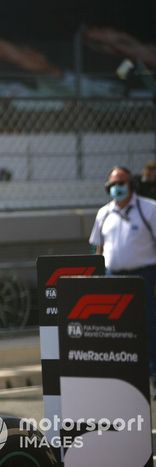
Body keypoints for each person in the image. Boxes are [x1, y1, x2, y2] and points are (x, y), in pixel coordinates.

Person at [89, 166, 156, 389]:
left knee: (148, 326)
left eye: (122, 183)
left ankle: (154, 377)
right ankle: (122, 381)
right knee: (115, 331)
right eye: (113, 184)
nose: (118, 188)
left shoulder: (149, 209)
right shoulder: (103, 214)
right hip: (112, 278)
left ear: (132, 185)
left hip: (144, 277)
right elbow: (97, 250)